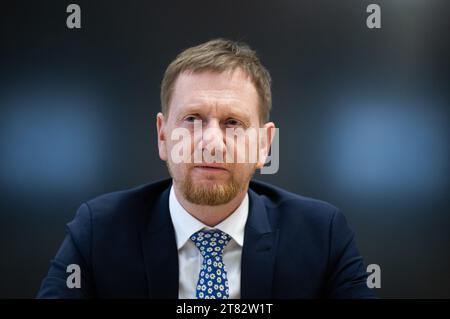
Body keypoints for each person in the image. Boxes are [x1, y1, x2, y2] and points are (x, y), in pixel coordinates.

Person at [37, 39, 374, 299]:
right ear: (163, 136)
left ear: (264, 145)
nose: (212, 142)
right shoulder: (99, 231)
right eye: (193, 119)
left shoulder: (323, 235)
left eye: (233, 122)